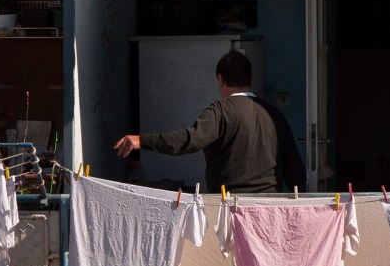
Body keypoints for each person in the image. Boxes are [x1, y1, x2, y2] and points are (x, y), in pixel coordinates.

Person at [114, 50, 305, 194]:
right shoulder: (274, 115)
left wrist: (142, 141)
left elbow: (188, 140)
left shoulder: (220, 111)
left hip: (229, 206)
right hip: (269, 209)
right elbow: (295, 169)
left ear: (220, 80)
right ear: (250, 79)